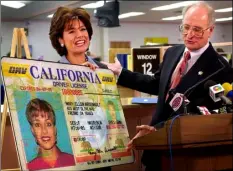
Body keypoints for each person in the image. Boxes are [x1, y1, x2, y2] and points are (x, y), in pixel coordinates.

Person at [102, 2, 233, 171]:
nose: (190, 34)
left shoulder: (220, 68)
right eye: (186, 27)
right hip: (155, 148)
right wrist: (121, 73)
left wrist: (157, 129)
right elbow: (156, 84)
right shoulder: (173, 53)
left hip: (186, 156)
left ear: (211, 30)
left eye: (197, 29)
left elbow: (206, 116)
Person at [49, 6, 111, 171]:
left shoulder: (104, 71)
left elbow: (110, 111)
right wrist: (75, 79)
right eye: (71, 31)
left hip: (102, 156)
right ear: (60, 39)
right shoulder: (50, 76)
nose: (79, 35)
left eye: (83, 29)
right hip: (71, 158)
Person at [26, 98, 75, 170]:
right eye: (37, 125)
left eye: (48, 124)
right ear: (33, 131)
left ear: (55, 130)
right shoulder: (29, 168)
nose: (44, 131)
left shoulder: (73, 161)